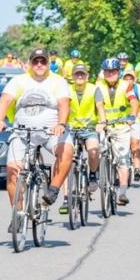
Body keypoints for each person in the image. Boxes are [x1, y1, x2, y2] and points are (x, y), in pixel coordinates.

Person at [0, 47, 72, 231]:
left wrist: (61, 124)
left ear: (48, 64)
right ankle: (18, 214)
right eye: (35, 61)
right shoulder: (19, 81)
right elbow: (5, 100)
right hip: (22, 132)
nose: (39, 65)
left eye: (43, 61)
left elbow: (63, 104)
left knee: (67, 150)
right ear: (29, 63)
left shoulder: (58, 81)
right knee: (13, 170)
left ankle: (53, 190)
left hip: (50, 132)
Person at [95, 58, 138, 207]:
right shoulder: (98, 86)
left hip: (121, 127)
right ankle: (94, 177)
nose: (110, 74)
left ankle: (122, 193)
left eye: (113, 71)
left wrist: (132, 115)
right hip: (103, 126)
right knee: (95, 151)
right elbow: (96, 104)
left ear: (118, 72)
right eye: (107, 71)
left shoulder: (126, 85)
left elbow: (133, 101)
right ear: (103, 72)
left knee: (122, 160)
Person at [61, 63, 101, 212]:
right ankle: (66, 199)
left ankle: (92, 175)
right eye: (77, 74)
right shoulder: (67, 90)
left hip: (89, 128)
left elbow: (100, 107)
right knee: (66, 161)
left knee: (93, 151)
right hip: (71, 129)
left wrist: (101, 122)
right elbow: (61, 107)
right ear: (72, 76)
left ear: (87, 76)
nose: (79, 76)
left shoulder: (93, 89)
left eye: (82, 74)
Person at [122, 67, 140, 184]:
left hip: (134, 119)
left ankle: (136, 168)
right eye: (126, 78)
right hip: (120, 120)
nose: (128, 81)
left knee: (135, 144)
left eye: (131, 78)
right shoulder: (119, 88)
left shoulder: (138, 88)